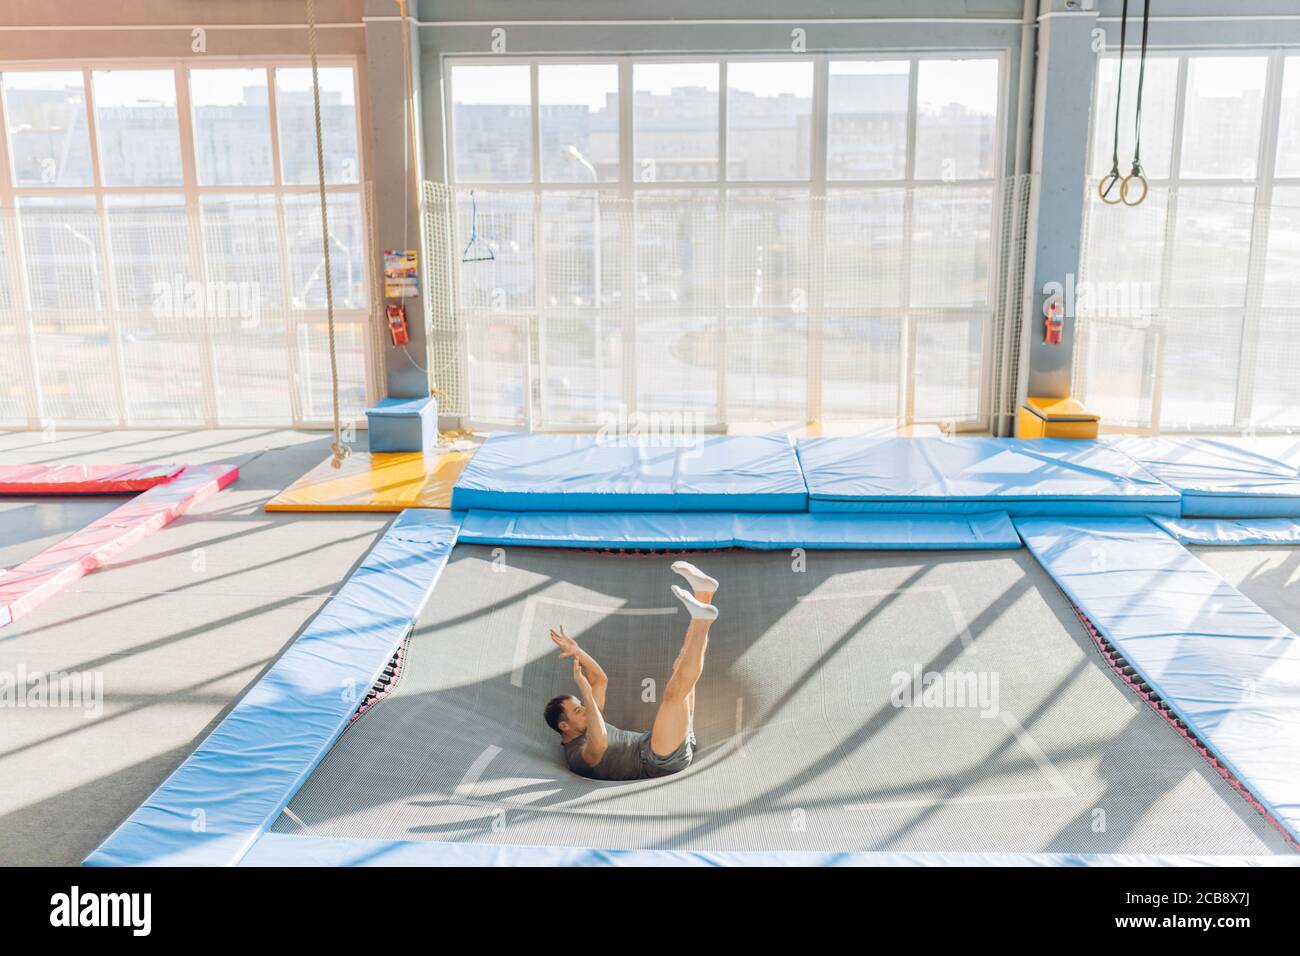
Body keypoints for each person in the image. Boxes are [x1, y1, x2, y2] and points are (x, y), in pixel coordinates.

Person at [542, 561, 718, 780]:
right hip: (661, 761)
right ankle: (702, 620)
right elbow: (600, 742)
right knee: (674, 694)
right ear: (564, 726)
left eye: (582, 706)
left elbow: (600, 680)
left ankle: (704, 594)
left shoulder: (587, 719)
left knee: (679, 666)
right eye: (578, 710)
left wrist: (577, 652)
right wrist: (584, 689)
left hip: (665, 741)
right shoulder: (577, 756)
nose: (586, 709)